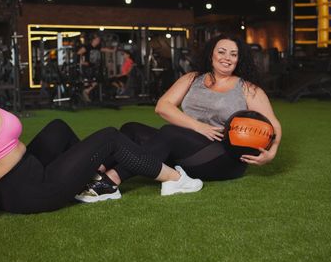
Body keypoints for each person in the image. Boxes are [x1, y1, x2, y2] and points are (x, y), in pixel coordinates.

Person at [0, 41, 203, 242]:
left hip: (17, 182)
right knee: (109, 136)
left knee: (57, 127)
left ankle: (98, 182)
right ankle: (176, 178)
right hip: (30, 190)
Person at [75, 34, 281, 202]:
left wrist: (271, 152)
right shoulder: (192, 78)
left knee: (170, 133)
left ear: (239, 59)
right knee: (132, 128)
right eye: (222, 51)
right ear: (211, 55)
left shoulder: (247, 88)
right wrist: (198, 127)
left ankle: (110, 183)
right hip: (187, 146)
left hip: (223, 157)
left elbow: (273, 125)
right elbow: (162, 107)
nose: (227, 57)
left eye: (233, 54)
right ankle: (95, 172)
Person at [76, 33, 116, 102]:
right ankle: (85, 94)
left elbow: (104, 49)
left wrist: (112, 50)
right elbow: (78, 53)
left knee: (98, 79)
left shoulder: (98, 47)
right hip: (87, 67)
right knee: (89, 81)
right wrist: (82, 62)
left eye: (99, 40)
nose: (98, 41)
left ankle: (87, 91)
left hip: (95, 67)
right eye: (97, 40)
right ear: (93, 40)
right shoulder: (87, 47)